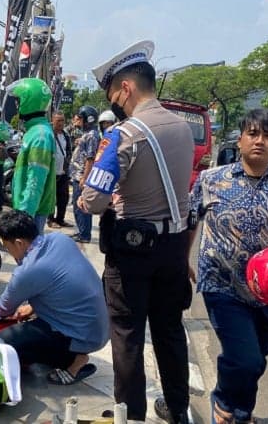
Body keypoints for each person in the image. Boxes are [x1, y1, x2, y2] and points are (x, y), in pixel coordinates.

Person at [79, 40, 195, 423]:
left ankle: (131, 416)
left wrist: (85, 202)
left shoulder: (124, 135)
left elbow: (94, 198)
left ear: (126, 88)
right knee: (169, 332)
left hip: (134, 253)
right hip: (174, 248)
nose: (115, 103)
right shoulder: (183, 128)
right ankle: (178, 410)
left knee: (127, 335)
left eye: (114, 95)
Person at [189, 108, 268, 424]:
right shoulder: (210, 181)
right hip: (223, 282)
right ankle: (224, 404)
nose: (260, 141)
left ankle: (239, 412)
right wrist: (181, 261)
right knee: (243, 358)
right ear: (241, 139)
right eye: (253, 134)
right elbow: (190, 222)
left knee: (256, 359)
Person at [0, 210, 108, 385]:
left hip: (82, 334)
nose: (8, 252)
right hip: (99, 326)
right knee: (27, 323)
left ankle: (72, 363)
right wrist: (32, 307)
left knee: (6, 341)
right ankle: (68, 351)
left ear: (18, 243)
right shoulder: (59, 239)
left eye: (7, 247)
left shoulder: (28, 271)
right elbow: (62, 285)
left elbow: (3, 309)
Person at [6, 77, 57, 234]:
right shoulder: (34, 132)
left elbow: (36, 179)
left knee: (29, 257)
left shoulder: (40, 135)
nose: (16, 106)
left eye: (18, 101)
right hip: (28, 209)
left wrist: (24, 216)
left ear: (28, 101)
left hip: (31, 212)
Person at [68, 105, 100, 243]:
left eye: (80, 118)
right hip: (77, 175)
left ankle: (84, 234)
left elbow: (90, 158)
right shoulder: (87, 134)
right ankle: (82, 232)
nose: (78, 121)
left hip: (81, 176)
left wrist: (85, 178)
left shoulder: (92, 135)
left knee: (81, 206)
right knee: (77, 206)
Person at [47, 111, 73, 229]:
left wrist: (66, 166)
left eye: (62, 120)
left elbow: (68, 151)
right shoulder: (48, 134)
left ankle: (60, 219)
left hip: (63, 173)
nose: (61, 123)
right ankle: (50, 220)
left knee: (64, 198)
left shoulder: (65, 135)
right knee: (51, 198)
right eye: (58, 121)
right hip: (50, 173)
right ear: (53, 121)